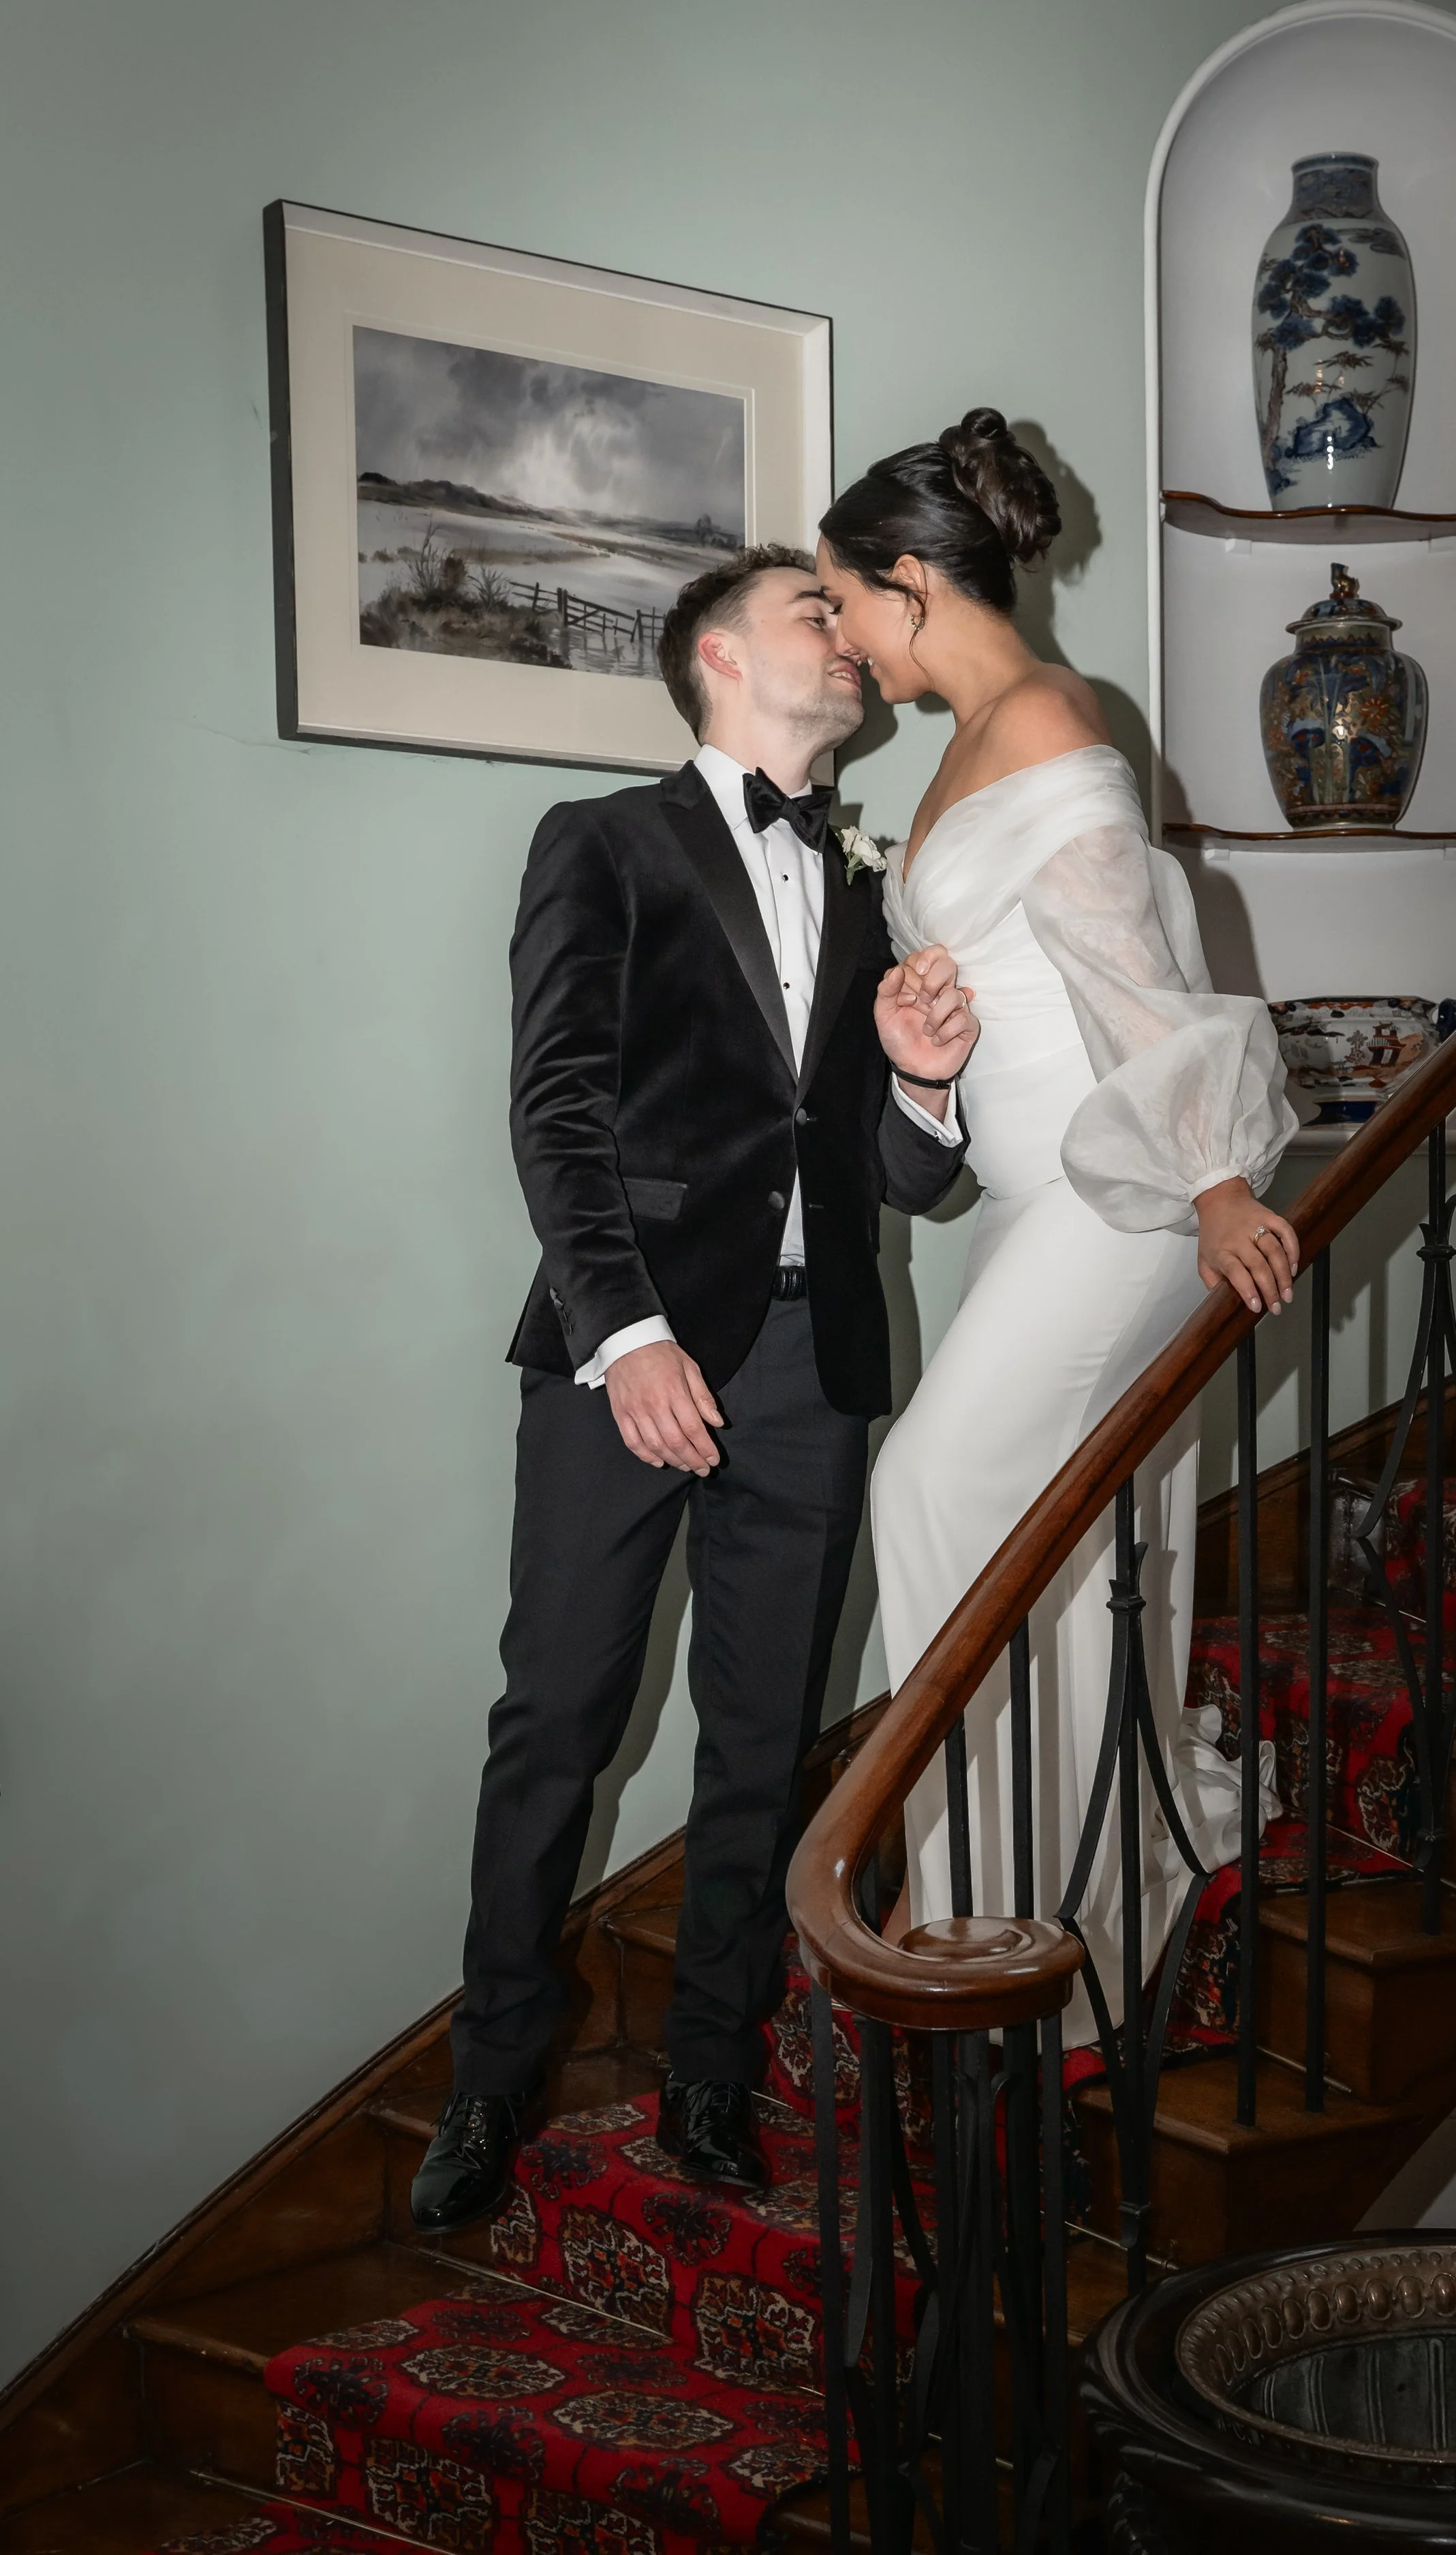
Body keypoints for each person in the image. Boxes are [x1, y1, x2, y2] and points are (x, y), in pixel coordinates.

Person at [412, 545, 972, 2229]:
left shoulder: (879, 887)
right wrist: (628, 1334)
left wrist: (929, 1092)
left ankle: (714, 2078)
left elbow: (900, 1177)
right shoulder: (601, 842)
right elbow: (556, 1109)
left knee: (759, 1746)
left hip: (816, 1363)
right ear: (720, 655)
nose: (850, 633)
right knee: (559, 1720)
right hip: (624, 1349)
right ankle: (493, 2076)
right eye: (818, 611)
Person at [816, 414, 1297, 2040]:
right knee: (1058, 1533)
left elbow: (1127, 960)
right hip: (1032, 1201)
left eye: (842, 606)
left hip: (1120, 1198)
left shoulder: (1043, 717)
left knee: (934, 1480)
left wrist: (1218, 1181)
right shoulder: (968, 734)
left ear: (905, 585)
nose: (841, 642)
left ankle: (996, 1912)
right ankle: (1059, 1891)